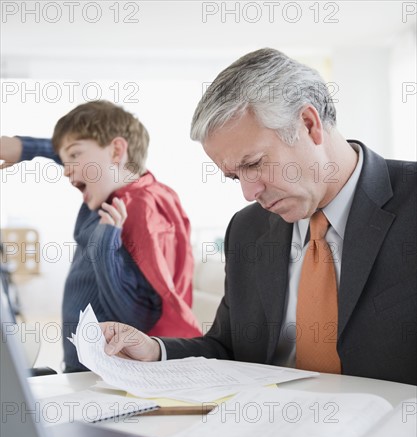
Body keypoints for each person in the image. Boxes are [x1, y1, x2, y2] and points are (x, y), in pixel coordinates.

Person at [98, 49, 416, 386]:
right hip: (265, 426)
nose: (249, 193)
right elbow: (227, 349)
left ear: (309, 125)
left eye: (254, 164)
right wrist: (154, 350)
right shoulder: (247, 229)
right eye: (236, 177)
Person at [0, 101, 201, 372]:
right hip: (85, 367)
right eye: (64, 158)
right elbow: (90, 153)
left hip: (108, 374)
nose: (65, 168)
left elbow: (136, 317)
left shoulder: (138, 210)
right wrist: (26, 148)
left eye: (73, 156)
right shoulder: (112, 195)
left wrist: (105, 245)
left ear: (117, 150)